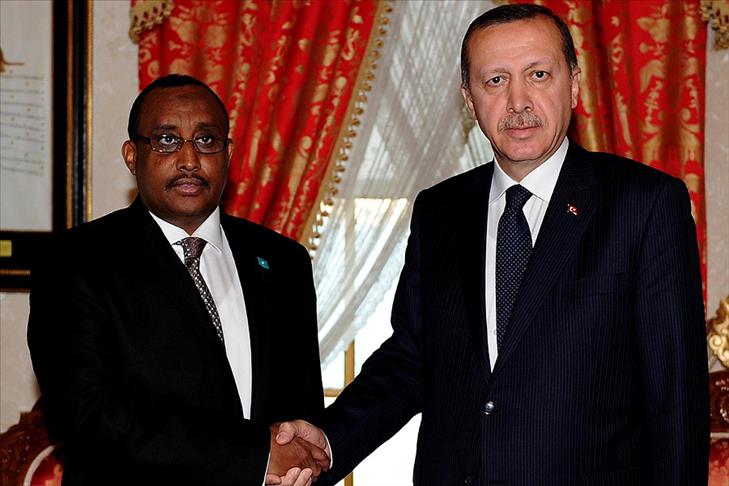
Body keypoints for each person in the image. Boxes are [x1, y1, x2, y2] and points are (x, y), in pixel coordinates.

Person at [273, 4, 709, 485]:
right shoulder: (439, 211)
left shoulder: (645, 203)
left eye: (538, 74)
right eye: (495, 81)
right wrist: (327, 442)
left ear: (573, 85)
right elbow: (411, 360)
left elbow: (675, 394)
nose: (517, 101)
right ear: (469, 98)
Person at [28, 74, 329, 486]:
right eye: (167, 140)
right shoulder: (75, 261)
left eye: (206, 140)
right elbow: (86, 416)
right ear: (132, 156)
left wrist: (302, 462)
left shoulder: (284, 262)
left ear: (228, 153)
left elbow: (303, 412)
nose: (189, 159)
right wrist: (255, 455)